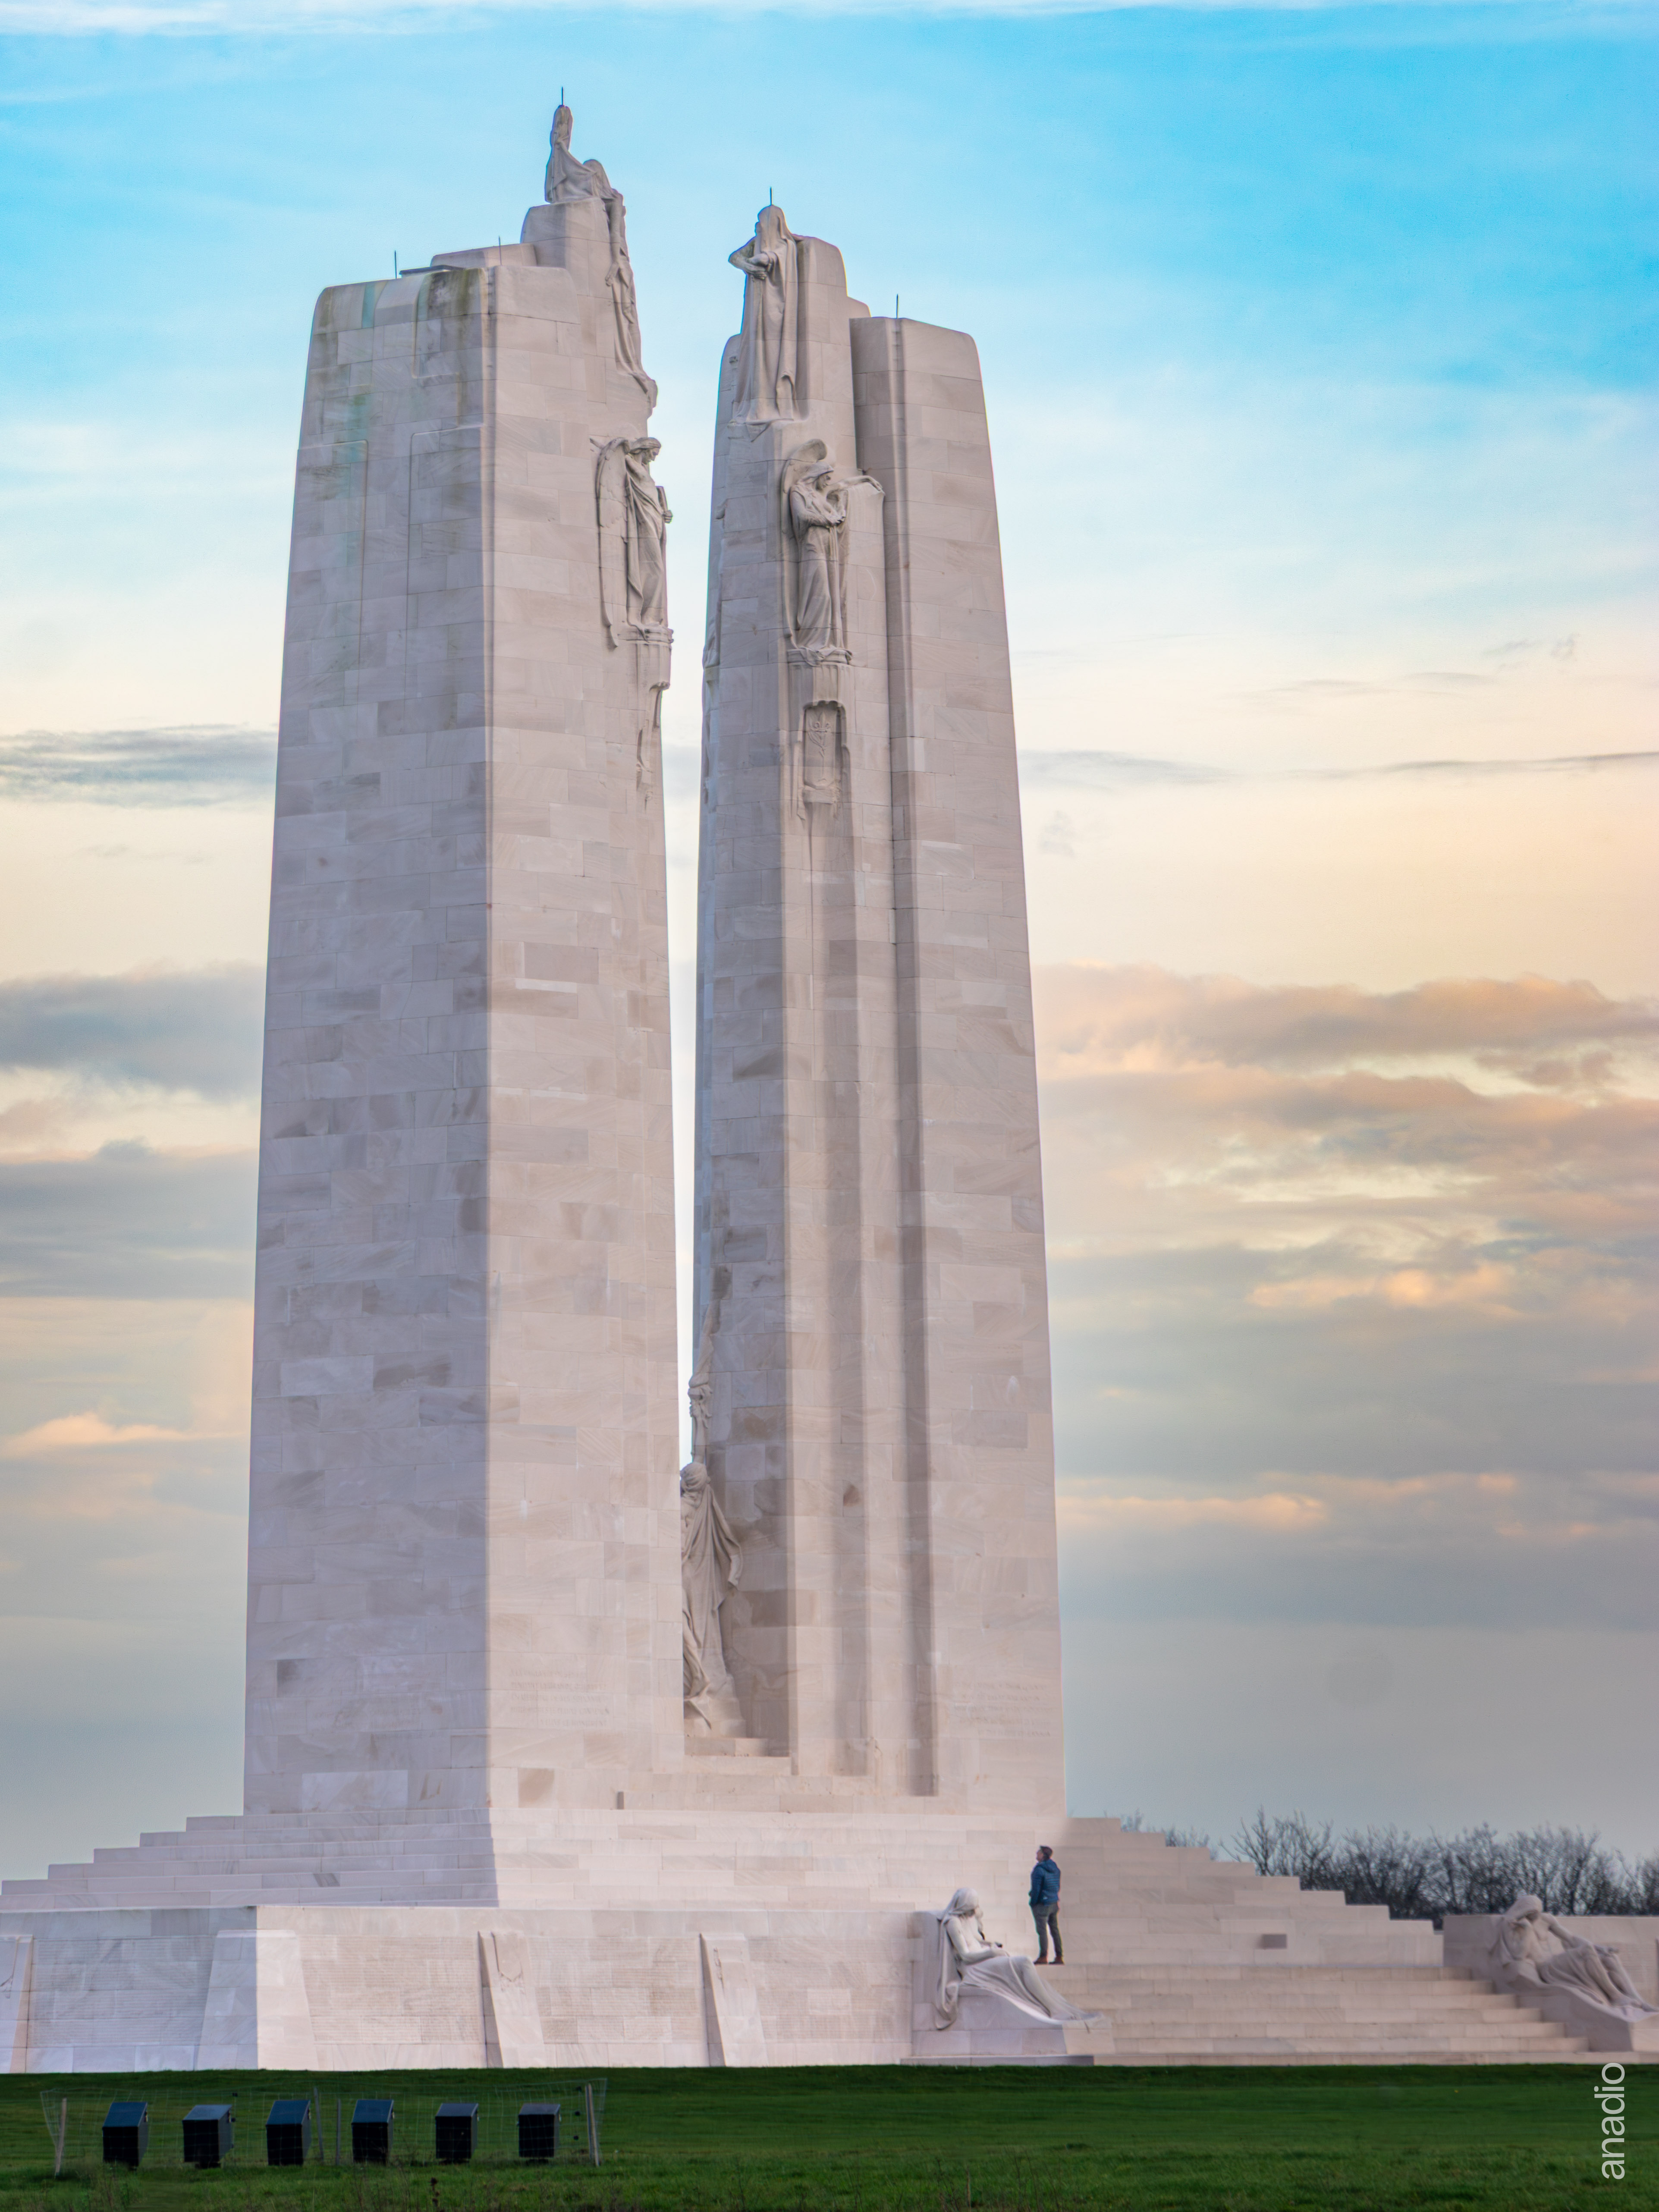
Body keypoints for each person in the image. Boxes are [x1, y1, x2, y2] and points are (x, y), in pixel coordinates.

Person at [927, 1889, 1099, 2031]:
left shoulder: (967, 1919)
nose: (975, 1911)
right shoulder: (953, 1923)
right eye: (973, 1907)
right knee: (1023, 1962)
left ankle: (1058, 2008)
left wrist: (991, 1945)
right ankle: (1053, 2010)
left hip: (984, 1959)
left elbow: (977, 1941)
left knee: (1024, 1965)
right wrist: (992, 1953)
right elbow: (965, 1956)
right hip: (974, 1967)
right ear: (964, 1906)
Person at [1030, 1844, 1062, 1965]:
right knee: (1055, 1930)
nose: (1036, 1854)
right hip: (1054, 1902)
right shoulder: (1056, 1869)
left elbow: (1036, 1889)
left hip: (1042, 1904)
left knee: (1042, 1931)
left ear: (1043, 1855)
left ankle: (1043, 1957)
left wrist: (1033, 1903)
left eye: (1038, 1852)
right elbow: (1057, 1886)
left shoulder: (1039, 1870)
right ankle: (1059, 1956)